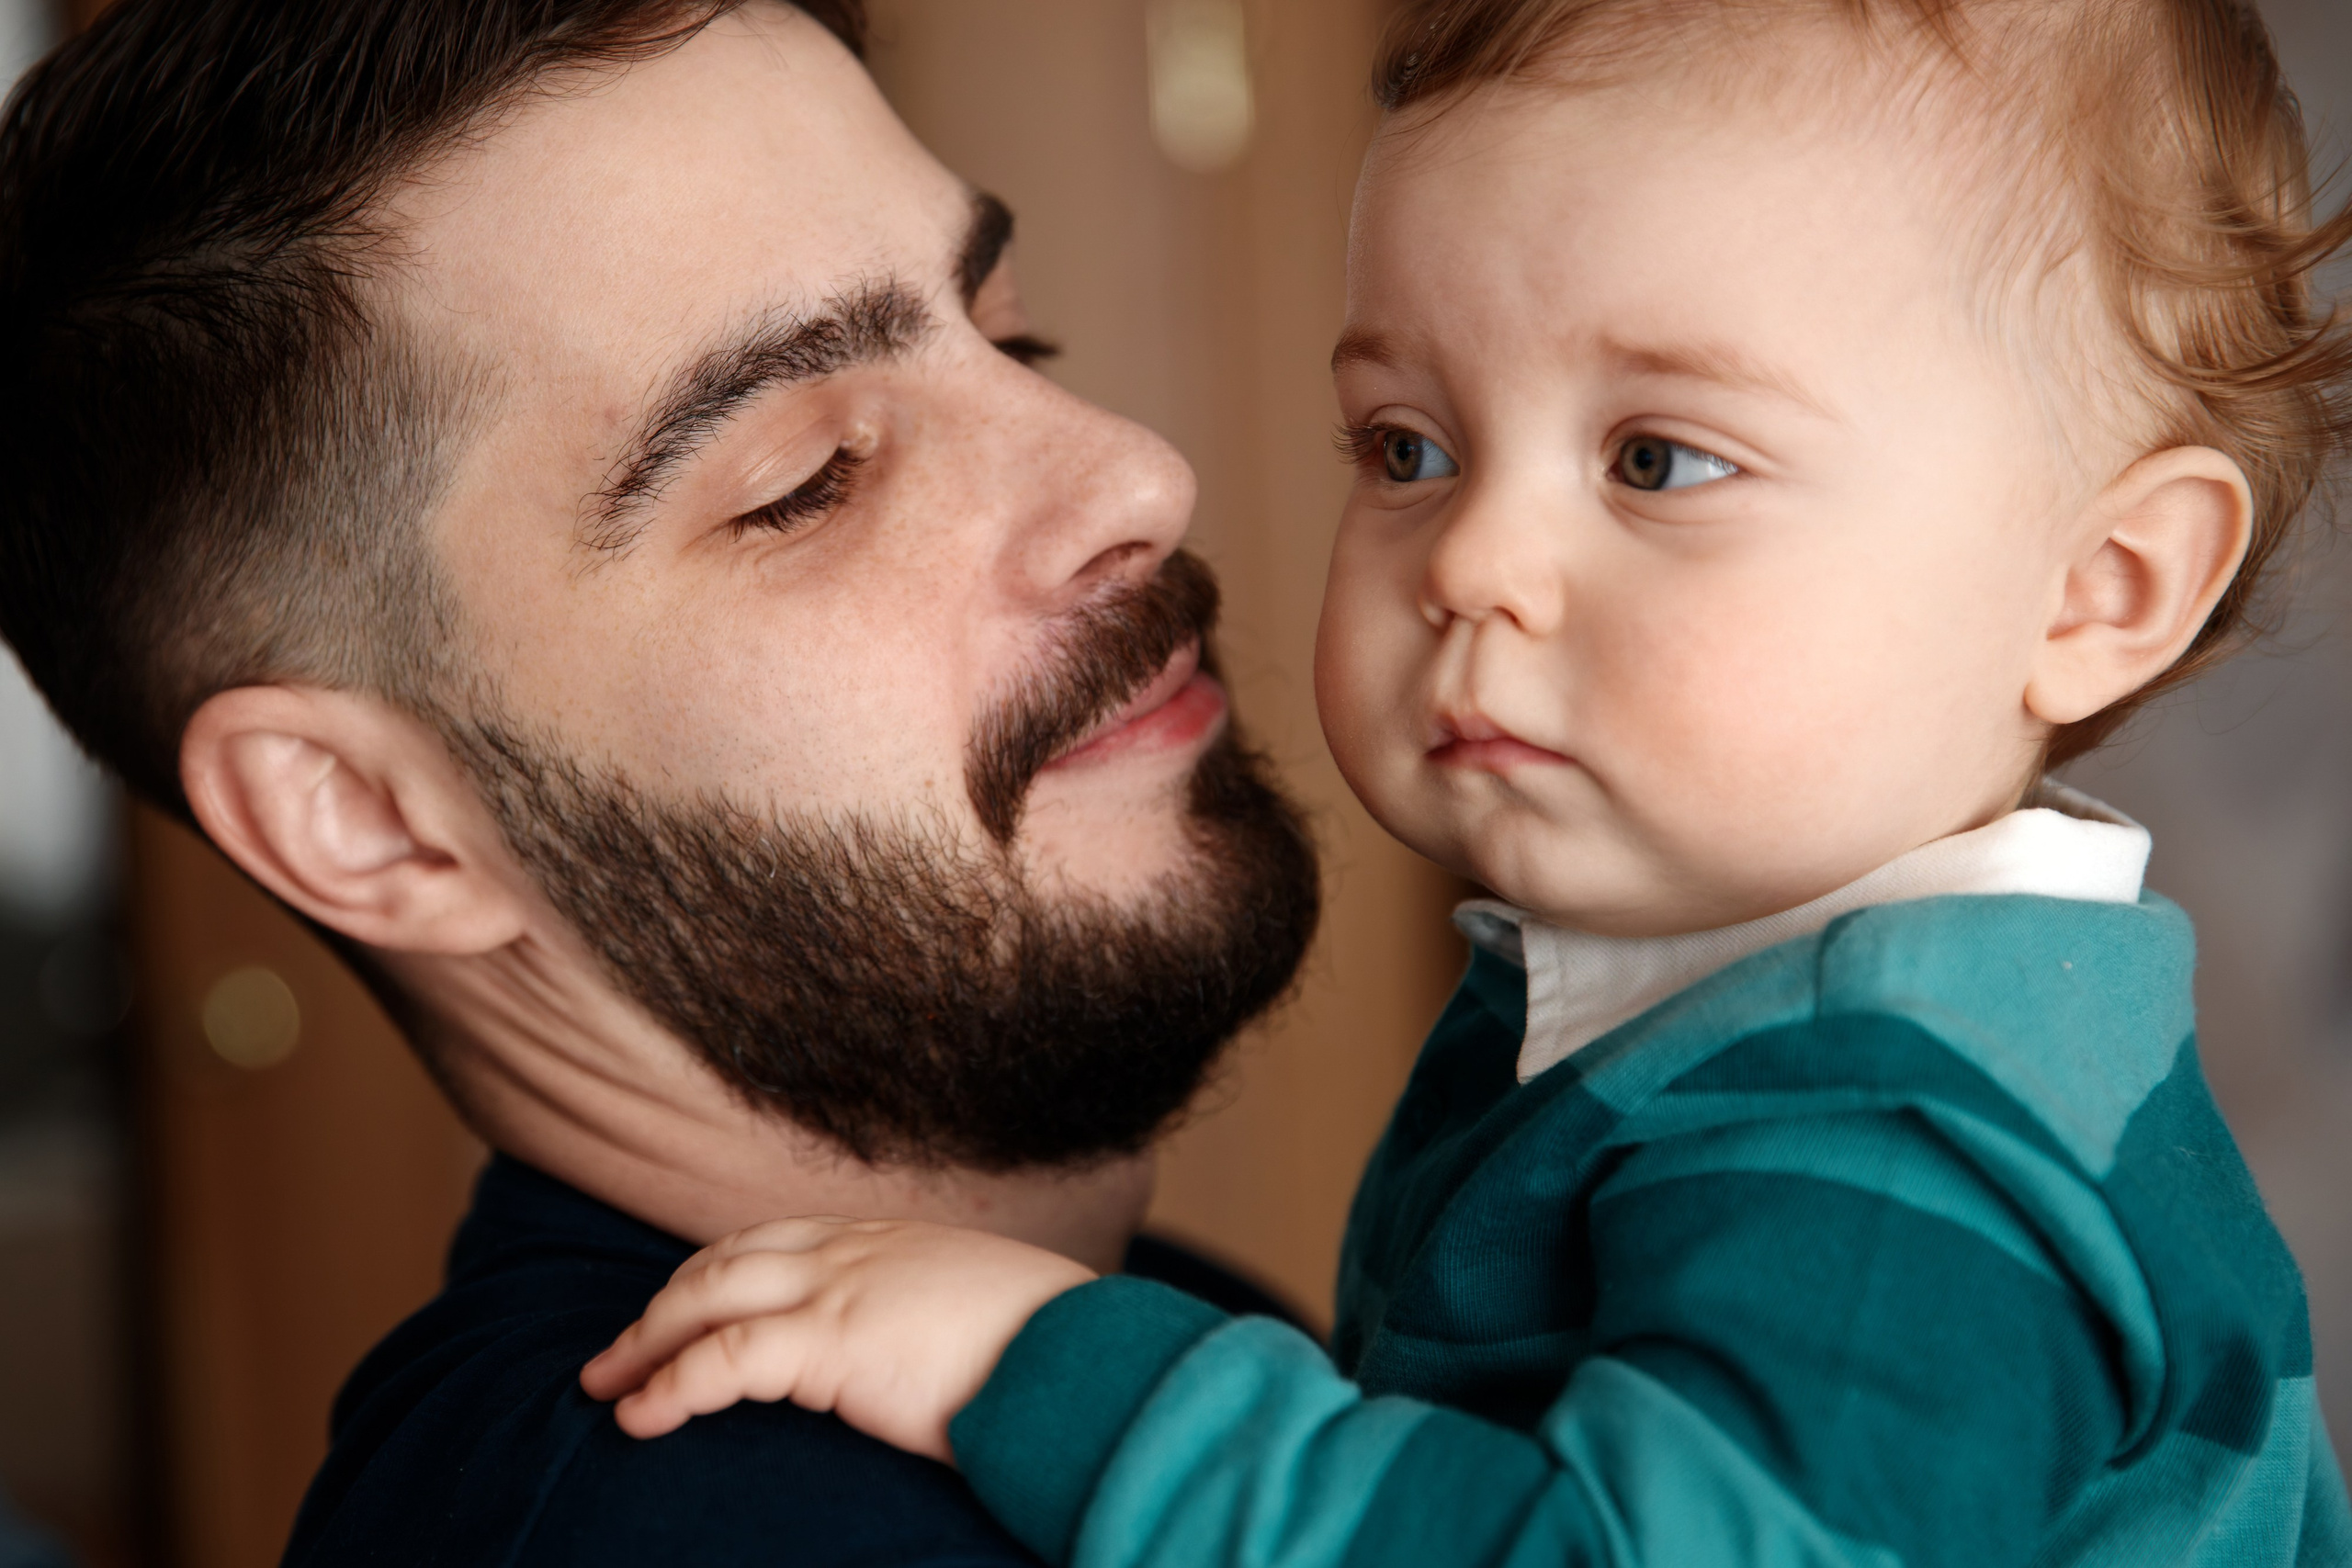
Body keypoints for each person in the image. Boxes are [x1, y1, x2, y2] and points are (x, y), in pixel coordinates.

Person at [580, 0, 2352, 1562]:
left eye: (1659, 458)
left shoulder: (1906, 1155)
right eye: (1408, 446)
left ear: (2097, 588)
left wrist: (1039, 1372)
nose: (1474, 557)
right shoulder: (1780, 1034)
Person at [0, 2, 1324, 1563]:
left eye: (1010, 332)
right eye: (804, 483)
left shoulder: (1163, 1368)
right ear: (367, 819)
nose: (1136, 477)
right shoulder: (688, 1520)